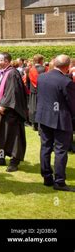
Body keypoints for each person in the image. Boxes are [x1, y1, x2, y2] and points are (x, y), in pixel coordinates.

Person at [35, 55, 75, 191]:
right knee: (60, 150)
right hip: (60, 119)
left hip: (44, 116)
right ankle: (59, 181)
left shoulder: (42, 77)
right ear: (67, 66)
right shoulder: (66, 82)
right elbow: (72, 103)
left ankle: (47, 177)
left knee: (46, 147)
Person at [0, 52, 28, 172]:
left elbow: (13, 92)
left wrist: (3, 105)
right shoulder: (0, 72)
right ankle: (0, 158)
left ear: (6, 61)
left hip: (11, 112)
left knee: (14, 137)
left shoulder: (12, 73)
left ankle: (14, 162)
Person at [28, 54, 46, 131]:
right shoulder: (45, 69)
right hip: (42, 91)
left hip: (33, 91)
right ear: (41, 61)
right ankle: (40, 125)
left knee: (33, 107)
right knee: (41, 107)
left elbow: (28, 82)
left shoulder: (31, 69)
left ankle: (34, 124)